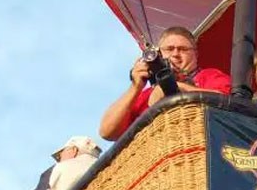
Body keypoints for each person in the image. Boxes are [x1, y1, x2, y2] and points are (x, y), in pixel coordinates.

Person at [99, 26, 231, 141]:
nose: (175, 54)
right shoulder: (145, 93)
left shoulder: (209, 76)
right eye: (169, 49)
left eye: (183, 49)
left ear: (195, 54)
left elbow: (231, 103)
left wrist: (176, 88)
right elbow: (107, 132)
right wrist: (136, 87)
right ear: (160, 54)